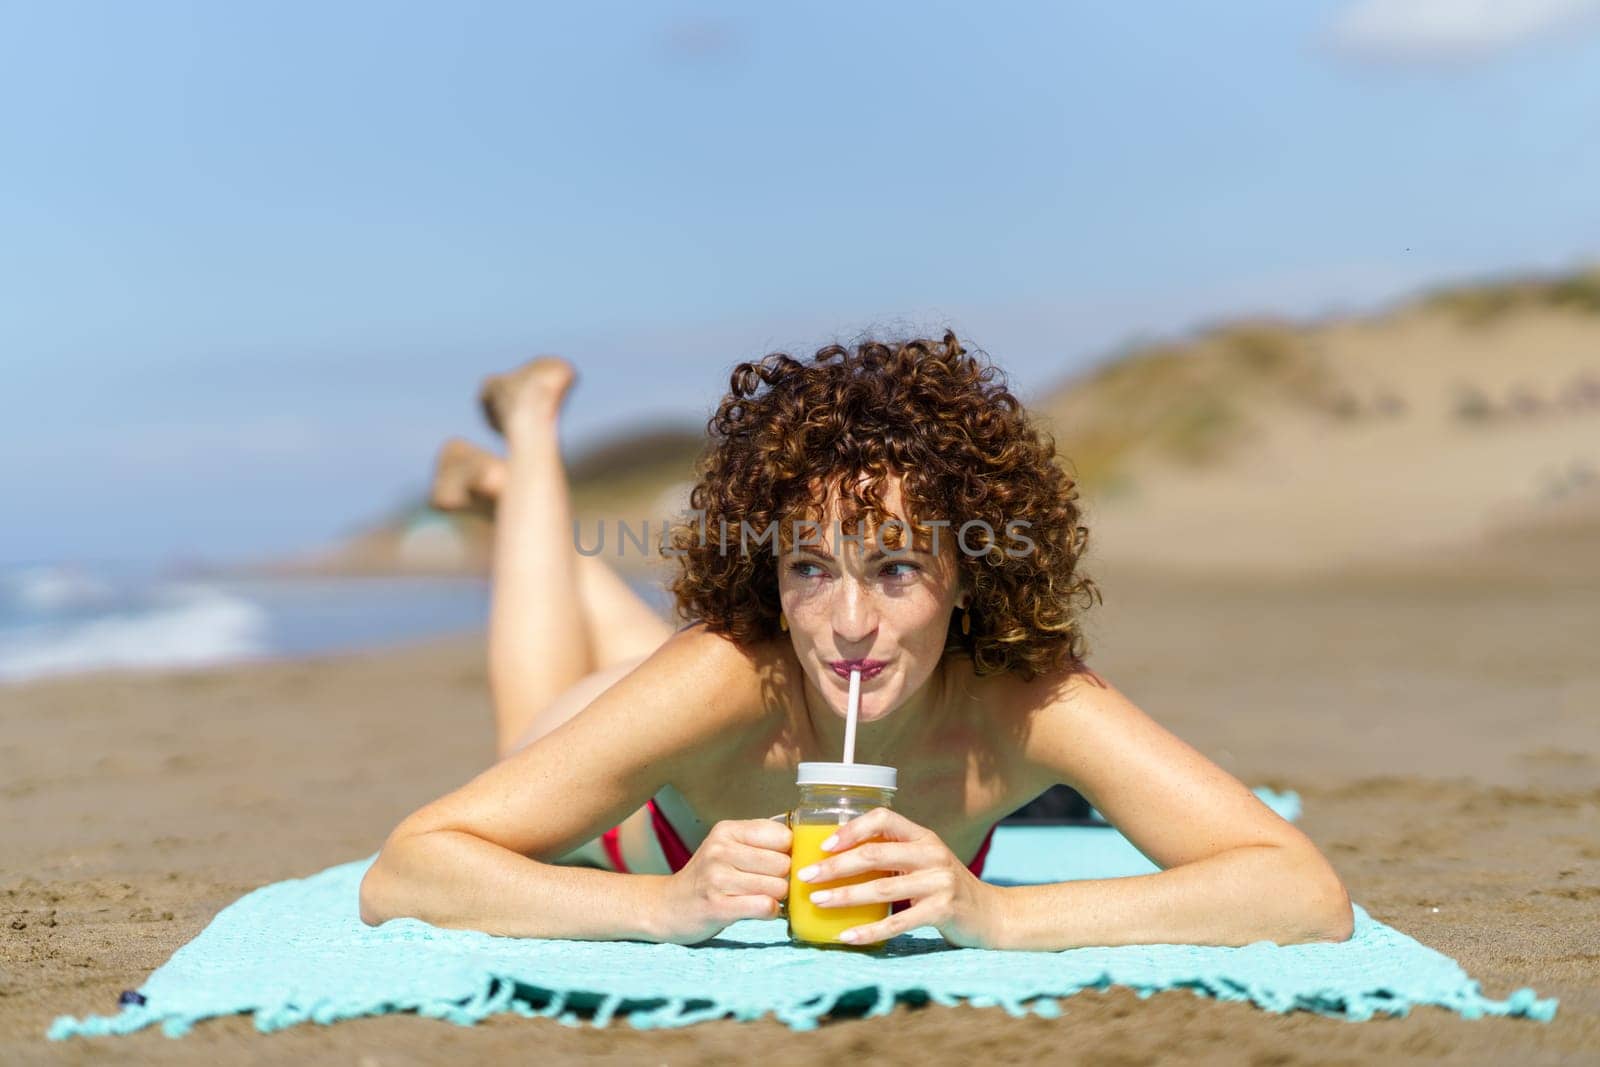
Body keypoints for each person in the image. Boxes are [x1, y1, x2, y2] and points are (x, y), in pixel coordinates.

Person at [360, 332, 1354, 950]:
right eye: (806, 566)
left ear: (969, 575)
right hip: (653, 754)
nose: (847, 621)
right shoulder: (722, 673)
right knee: (535, 726)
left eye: (895, 568)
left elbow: (1299, 889)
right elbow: (409, 867)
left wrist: (1000, 913)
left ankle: (498, 487)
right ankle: (530, 435)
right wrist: (662, 904)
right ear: (767, 575)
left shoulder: (1024, 700)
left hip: (689, 703)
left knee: (657, 667)